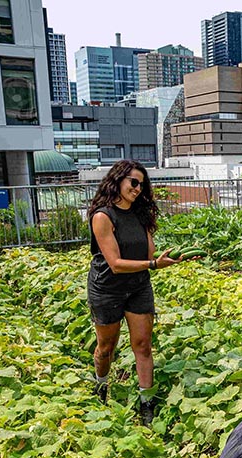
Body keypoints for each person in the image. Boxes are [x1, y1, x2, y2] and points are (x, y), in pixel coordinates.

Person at [87, 159, 182, 426]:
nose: (138, 188)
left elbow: (150, 254)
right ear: (117, 180)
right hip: (107, 288)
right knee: (106, 347)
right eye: (134, 182)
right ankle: (101, 384)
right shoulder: (103, 216)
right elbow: (116, 264)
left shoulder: (140, 215)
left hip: (138, 287)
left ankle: (146, 402)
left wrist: (173, 257)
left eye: (142, 184)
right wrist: (153, 264)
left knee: (143, 345)